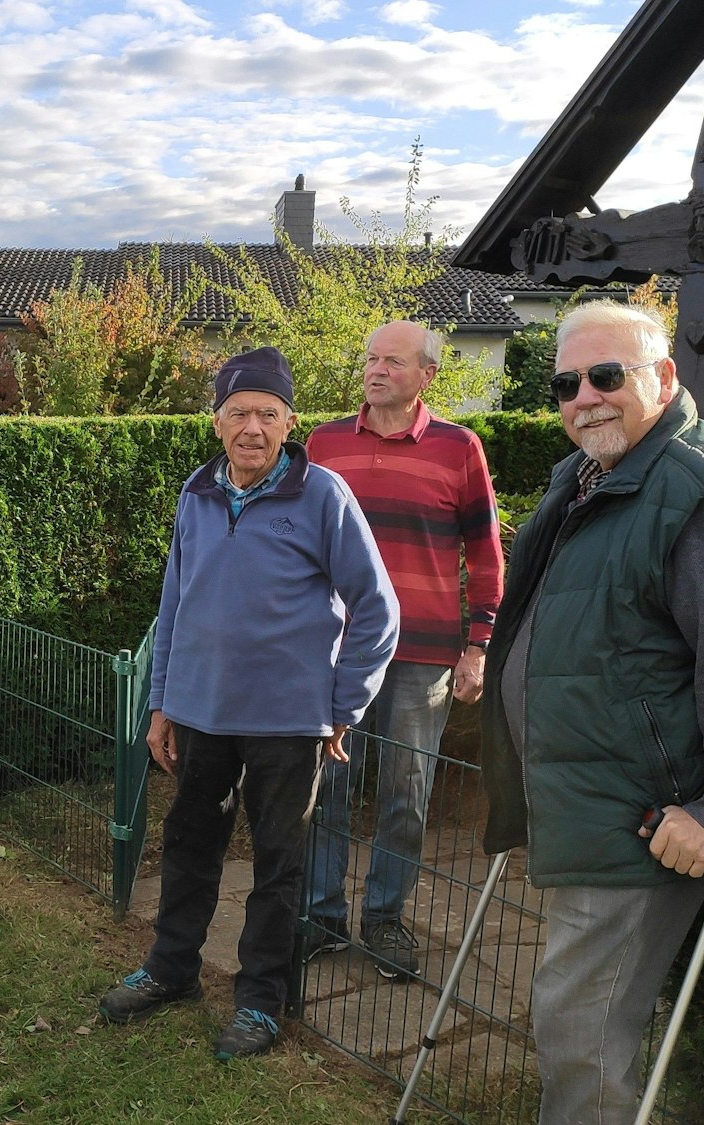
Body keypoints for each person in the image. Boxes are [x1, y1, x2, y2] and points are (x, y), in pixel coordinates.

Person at [476, 303, 704, 1123]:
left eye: (606, 375)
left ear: (663, 378)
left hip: (641, 821)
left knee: (579, 1028)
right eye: (567, 381)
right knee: (576, 1019)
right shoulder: (588, 474)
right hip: (585, 798)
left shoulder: (694, 487)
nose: (584, 396)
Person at [97, 346, 399, 1060]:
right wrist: (162, 701)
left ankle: (262, 1002)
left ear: (290, 421)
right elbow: (173, 604)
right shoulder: (196, 493)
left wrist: (340, 705)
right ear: (216, 423)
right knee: (190, 846)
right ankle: (173, 969)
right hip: (200, 713)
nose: (252, 427)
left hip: (289, 725)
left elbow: (377, 611)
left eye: (267, 413)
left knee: (277, 864)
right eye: (238, 412)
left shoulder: (324, 495)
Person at [304, 320, 503, 978]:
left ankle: (385, 918)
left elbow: (485, 555)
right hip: (334, 652)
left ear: (428, 375)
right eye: (370, 358)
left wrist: (478, 644)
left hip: (423, 656)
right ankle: (321, 914)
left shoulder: (459, 448)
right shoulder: (324, 442)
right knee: (324, 781)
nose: (376, 369)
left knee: (405, 791)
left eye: (392, 360)